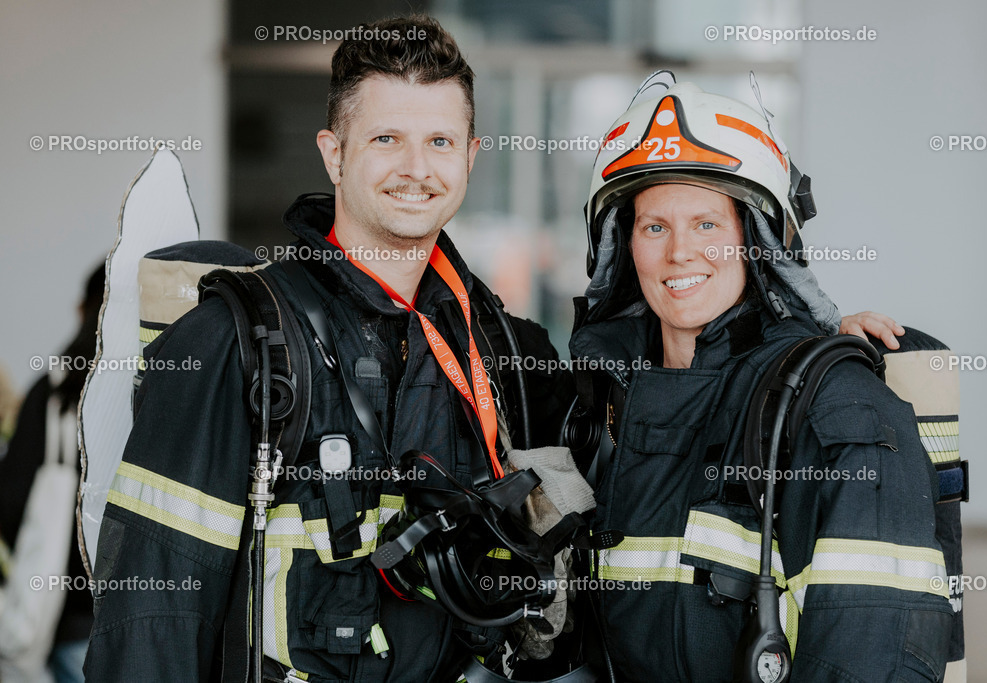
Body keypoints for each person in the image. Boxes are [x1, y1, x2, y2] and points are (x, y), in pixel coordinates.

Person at [84, 15, 574, 682]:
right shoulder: (234, 344)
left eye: (439, 140)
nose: (416, 168)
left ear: (470, 155)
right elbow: (152, 625)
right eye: (386, 138)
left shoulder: (501, 354)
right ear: (334, 152)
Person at [568, 74, 952, 681]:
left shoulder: (835, 409)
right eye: (654, 227)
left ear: (759, 242)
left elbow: (872, 656)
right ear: (622, 246)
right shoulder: (593, 407)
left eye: (707, 225)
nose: (679, 254)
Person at [0, 264, 103, 683]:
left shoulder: (53, 394)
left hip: (69, 618)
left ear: (82, 309)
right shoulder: (152, 386)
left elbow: (10, 503)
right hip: (146, 619)